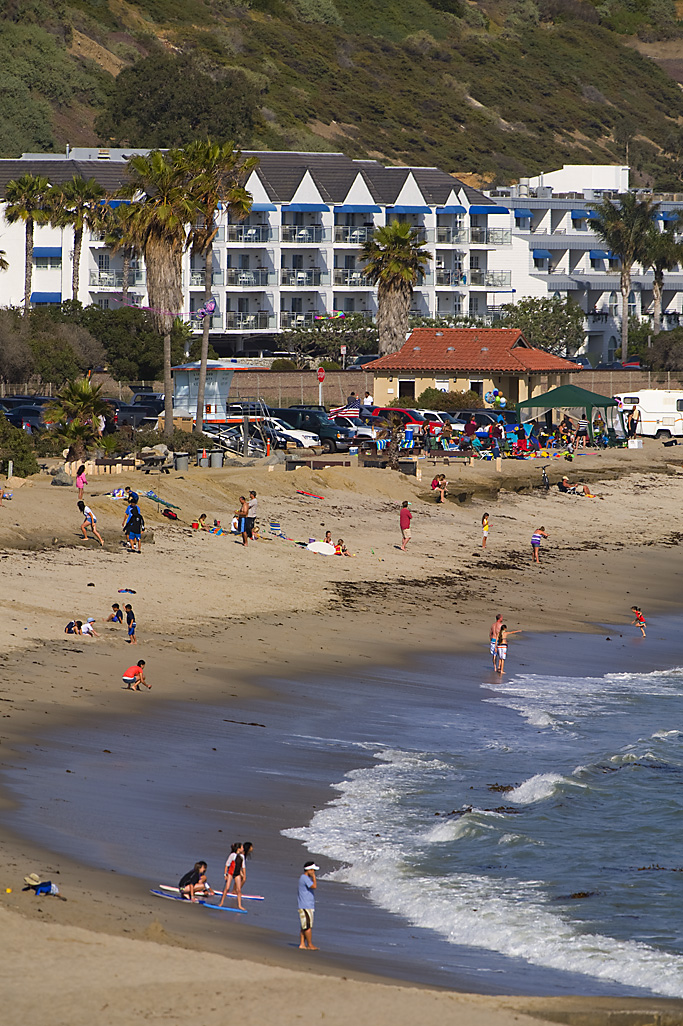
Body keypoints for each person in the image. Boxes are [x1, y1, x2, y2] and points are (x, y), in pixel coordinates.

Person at [298, 861, 319, 950]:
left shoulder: (304, 878)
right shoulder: (305, 878)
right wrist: (314, 877)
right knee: (307, 926)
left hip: (305, 905)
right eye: (313, 870)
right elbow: (314, 886)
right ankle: (310, 944)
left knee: (304, 926)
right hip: (306, 905)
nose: (314, 872)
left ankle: (302, 943)